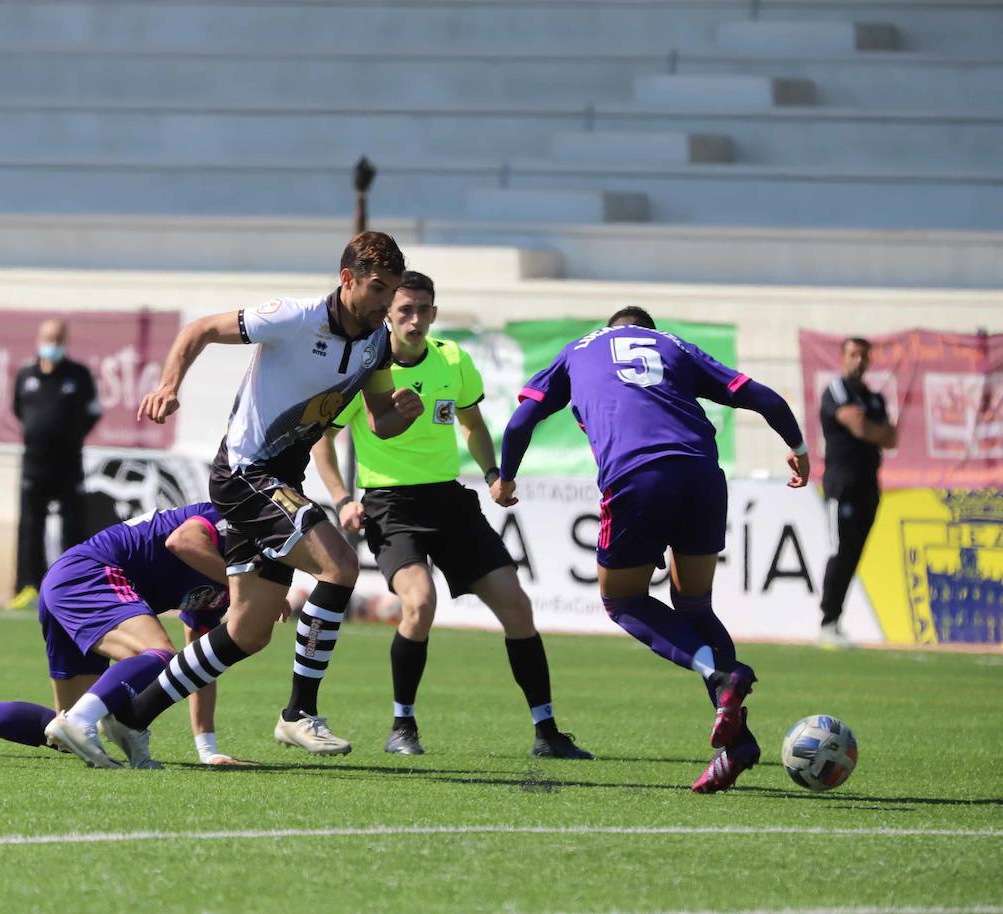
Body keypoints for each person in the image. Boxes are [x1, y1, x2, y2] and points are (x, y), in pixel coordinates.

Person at [47, 231, 422, 765]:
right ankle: (298, 714)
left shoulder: (377, 341)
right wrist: (169, 384)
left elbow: (380, 420)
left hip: (281, 481)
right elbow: (199, 329)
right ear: (348, 279)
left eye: (392, 292)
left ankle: (132, 716)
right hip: (245, 473)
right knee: (339, 565)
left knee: (247, 631)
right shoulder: (295, 317)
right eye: (378, 289)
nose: (386, 303)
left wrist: (398, 416)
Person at [492, 306, 810, 793]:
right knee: (694, 604)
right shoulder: (676, 347)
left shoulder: (577, 350)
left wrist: (506, 477)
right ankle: (738, 744)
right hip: (703, 475)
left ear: (610, 328)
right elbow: (759, 396)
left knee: (622, 600)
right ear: (647, 332)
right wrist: (799, 448)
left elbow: (520, 423)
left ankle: (719, 673)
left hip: (637, 477)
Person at [313, 271, 591, 759]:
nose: (415, 319)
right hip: (389, 504)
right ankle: (403, 725)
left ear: (435, 313)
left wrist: (492, 474)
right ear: (388, 314)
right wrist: (342, 499)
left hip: (449, 501)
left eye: (424, 309)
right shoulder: (364, 369)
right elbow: (323, 441)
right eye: (405, 310)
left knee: (517, 607)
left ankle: (546, 731)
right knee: (419, 604)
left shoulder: (453, 360)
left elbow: (472, 424)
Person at [0, 503, 251, 768]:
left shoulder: (225, 583)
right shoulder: (234, 518)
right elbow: (183, 540)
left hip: (69, 580)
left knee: (61, 732)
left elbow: (199, 662)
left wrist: (208, 749)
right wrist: (242, 588)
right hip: (92, 572)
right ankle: (83, 720)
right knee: (158, 655)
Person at [9, 318, 102, 611]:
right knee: (29, 528)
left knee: (72, 529)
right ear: (39, 339)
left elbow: (92, 413)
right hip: (34, 465)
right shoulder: (26, 375)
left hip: (68, 465)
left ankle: (72, 585)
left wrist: (69, 436)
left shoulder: (79, 375)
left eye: (57, 339)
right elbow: (18, 410)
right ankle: (27, 587)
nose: (52, 345)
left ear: (65, 341)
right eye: (48, 339)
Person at [818, 337, 896, 648]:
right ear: (843, 358)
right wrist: (870, 430)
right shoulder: (837, 390)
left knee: (853, 556)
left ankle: (836, 623)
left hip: (868, 487)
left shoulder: (874, 398)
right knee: (840, 553)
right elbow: (861, 427)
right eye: (853, 355)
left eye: (863, 356)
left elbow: (891, 436)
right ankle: (826, 623)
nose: (858, 361)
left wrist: (870, 429)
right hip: (842, 486)